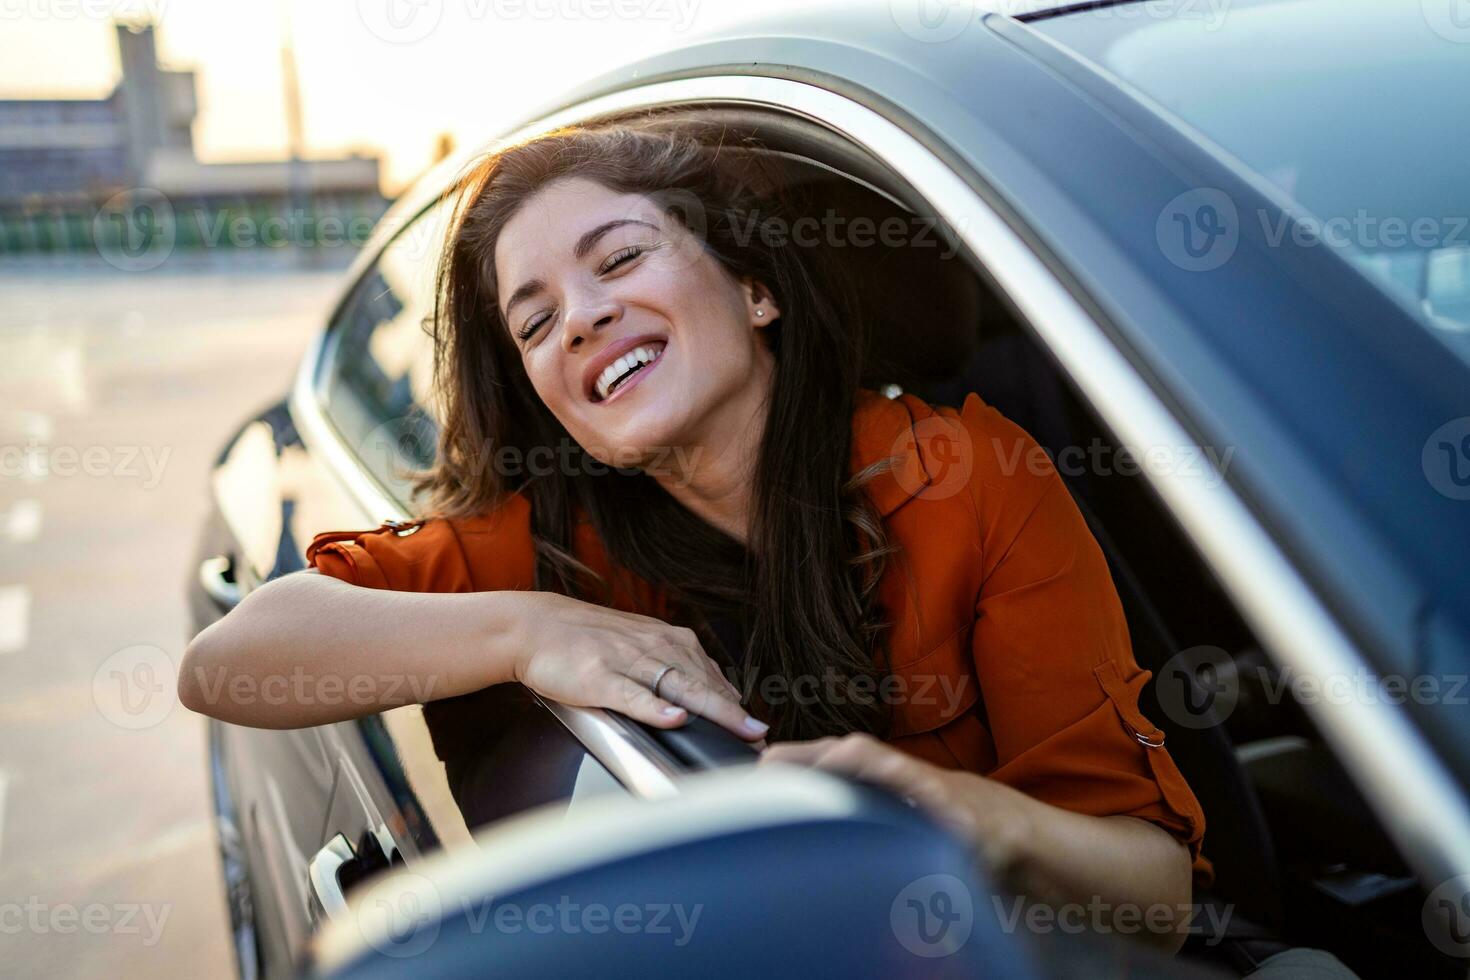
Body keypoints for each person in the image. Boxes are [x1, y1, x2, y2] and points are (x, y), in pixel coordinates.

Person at [179, 122, 1208, 953]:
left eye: (619, 257)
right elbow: (229, 659)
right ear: (553, 403)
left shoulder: (969, 478)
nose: (577, 317)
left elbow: (1155, 895)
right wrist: (530, 630)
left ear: (754, 287)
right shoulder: (547, 540)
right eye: (533, 325)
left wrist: (959, 811)